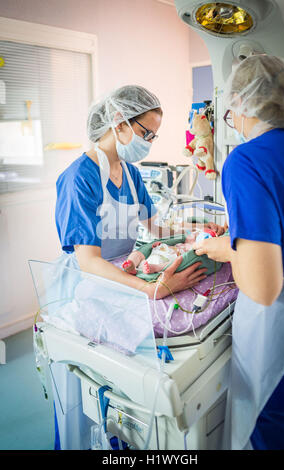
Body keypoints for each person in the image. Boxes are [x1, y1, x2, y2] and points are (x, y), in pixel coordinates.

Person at [53, 84, 224, 449]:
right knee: (78, 411)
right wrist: (153, 288)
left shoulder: (129, 172)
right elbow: (89, 261)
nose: (149, 142)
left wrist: (197, 230)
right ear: (119, 122)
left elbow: (152, 227)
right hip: (88, 283)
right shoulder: (79, 177)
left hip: (124, 276)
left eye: (153, 135)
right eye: (146, 133)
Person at [192, 55, 284, 450]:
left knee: (274, 431)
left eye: (229, 112)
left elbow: (262, 287)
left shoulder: (247, 161)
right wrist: (247, 233)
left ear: (239, 102)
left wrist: (226, 247)